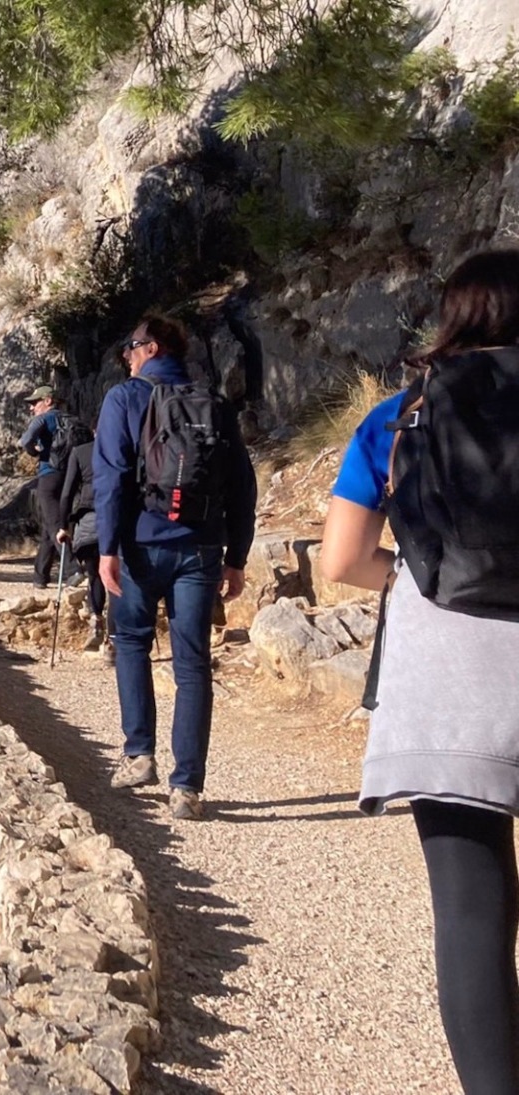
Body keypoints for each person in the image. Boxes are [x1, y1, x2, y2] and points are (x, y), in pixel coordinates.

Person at [320, 248, 519, 1095]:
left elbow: (341, 560)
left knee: (472, 912)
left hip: (447, 679)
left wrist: (418, 573)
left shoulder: (400, 416)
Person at [93, 314, 256, 821]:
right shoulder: (215, 404)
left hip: (141, 546)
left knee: (132, 644)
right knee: (192, 665)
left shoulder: (125, 398)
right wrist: (237, 557)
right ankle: (187, 788)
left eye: (132, 345)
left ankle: (139, 755)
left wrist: (106, 547)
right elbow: (241, 485)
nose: (126, 355)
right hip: (201, 549)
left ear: (153, 348)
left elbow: (111, 477)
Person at [55, 425, 110, 659]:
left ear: (95, 430)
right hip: (118, 521)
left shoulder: (81, 452)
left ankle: (96, 620)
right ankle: (115, 639)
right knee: (118, 581)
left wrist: (63, 526)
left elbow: (67, 493)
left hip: (89, 521)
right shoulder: (127, 449)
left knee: (95, 574)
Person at [21, 385, 66, 588]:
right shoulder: (69, 420)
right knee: (49, 525)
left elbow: (26, 440)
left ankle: (72, 568)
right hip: (69, 475)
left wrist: (34, 452)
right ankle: (40, 576)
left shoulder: (44, 419)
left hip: (48, 475)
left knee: (54, 523)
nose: (31, 408)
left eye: (34, 402)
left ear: (48, 401)